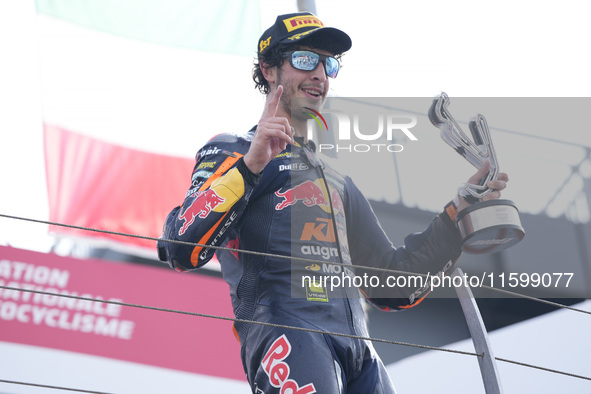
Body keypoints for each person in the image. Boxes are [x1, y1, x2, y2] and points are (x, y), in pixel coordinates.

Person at [157, 11, 508, 394]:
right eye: (305, 59)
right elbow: (179, 247)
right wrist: (251, 164)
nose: (319, 74)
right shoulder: (231, 150)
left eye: (328, 64)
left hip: (362, 355)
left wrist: (458, 215)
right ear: (268, 69)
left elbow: (392, 284)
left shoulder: (337, 180)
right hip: (288, 336)